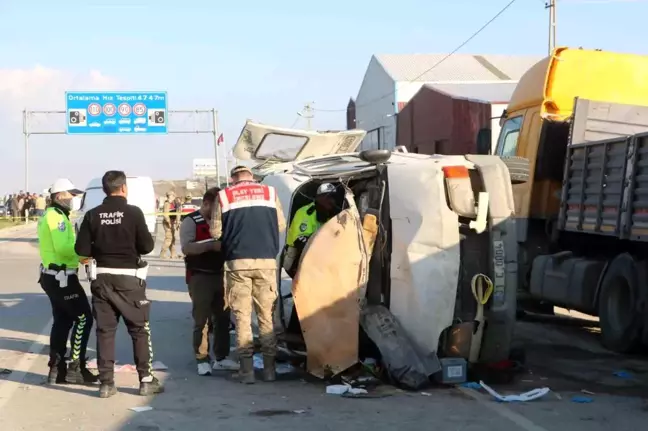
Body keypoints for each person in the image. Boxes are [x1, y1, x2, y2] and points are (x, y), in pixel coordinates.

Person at [75, 170, 160, 399]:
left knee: (105, 331)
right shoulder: (133, 213)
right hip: (129, 279)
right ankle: (145, 380)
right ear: (124, 188)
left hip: (101, 279)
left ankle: (106, 384)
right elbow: (147, 246)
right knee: (139, 329)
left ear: (104, 189)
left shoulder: (92, 215)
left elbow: (81, 251)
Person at [210, 165, 286, 384]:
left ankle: (247, 371)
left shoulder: (224, 195)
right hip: (266, 262)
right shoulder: (270, 193)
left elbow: (216, 232)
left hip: (237, 262)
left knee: (243, 317)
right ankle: (270, 370)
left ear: (233, 179)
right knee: (266, 318)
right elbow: (280, 224)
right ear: (252, 177)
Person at [37, 178, 98, 385]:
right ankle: (76, 366)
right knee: (84, 318)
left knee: (62, 320)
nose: (73, 199)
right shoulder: (57, 218)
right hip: (61, 277)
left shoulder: (55, 214)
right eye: (70, 195)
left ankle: (57, 369)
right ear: (58, 196)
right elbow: (63, 248)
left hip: (53, 276)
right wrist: (84, 255)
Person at [180, 187, 238, 376]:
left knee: (223, 318)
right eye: (215, 207)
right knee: (201, 320)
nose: (218, 212)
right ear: (205, 203)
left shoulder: (223, 222)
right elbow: (187, 247)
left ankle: (221, 357)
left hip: (221, 274)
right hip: (200, 276)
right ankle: (202, 357)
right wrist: (210, 246)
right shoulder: (191, 221)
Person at [282, 183, 338, 278]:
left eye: (333, 197)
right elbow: (300, 241)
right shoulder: (306, 213)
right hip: (296, 253)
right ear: (319, 198)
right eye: (328, 197)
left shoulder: (332, 215)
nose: (331, 201)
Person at [160, 191, 179, 259]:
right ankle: (162, 254)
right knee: (169, 238)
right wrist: (168, 222)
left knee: (172, 239)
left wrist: (177, 222)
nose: (174, 197)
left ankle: (173, 254)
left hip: (172, 222)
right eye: (172, 195)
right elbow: (165, 214)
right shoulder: (167, 203)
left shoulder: (174, 203)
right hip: (167, 223)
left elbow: (177, 213)